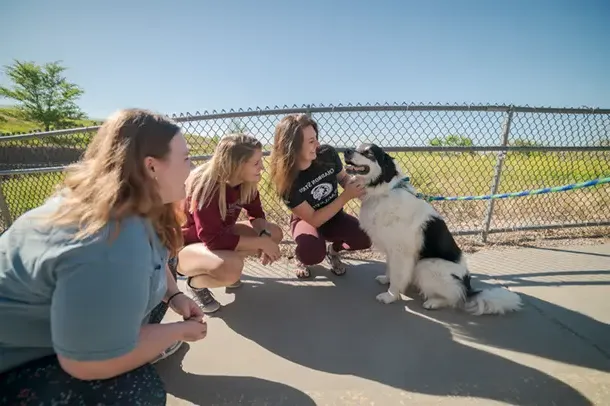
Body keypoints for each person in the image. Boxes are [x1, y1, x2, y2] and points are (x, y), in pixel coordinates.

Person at [0, 109, 207, 405]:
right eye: (186, 158)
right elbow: (84, 366)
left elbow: (158, 262)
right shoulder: (112, 240)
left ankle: (131, 343)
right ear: (151, 167)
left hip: (53, 326)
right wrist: (176, 332)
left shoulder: (128, 203)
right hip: (14, 362)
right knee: (138, 394)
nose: (192, 167)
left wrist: (174, 296)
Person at [175, 133, 283, 314]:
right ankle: (195, 284)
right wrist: (260, 243)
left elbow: (256, 214)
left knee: (274, 233)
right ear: (236, 165)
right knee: (232, 268)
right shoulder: (207, 187)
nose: (262, 167)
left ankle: (224, 268)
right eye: (256, 163)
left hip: (218, 236)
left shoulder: (246, 183)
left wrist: (264, 237)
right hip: (188, 246)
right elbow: (212, 239)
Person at [269, 113, 372, 279]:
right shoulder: (287, 181)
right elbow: (314, 219)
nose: (317, 144)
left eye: (316, 138)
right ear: (292, 147)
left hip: (335, 216)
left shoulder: (327, 153)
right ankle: (301, 257)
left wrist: (358, 189)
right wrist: (346, 196)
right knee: (312, 253)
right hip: (307, 221)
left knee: (366, 237)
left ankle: (333, 251)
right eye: (311, 141)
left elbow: (343, 178)